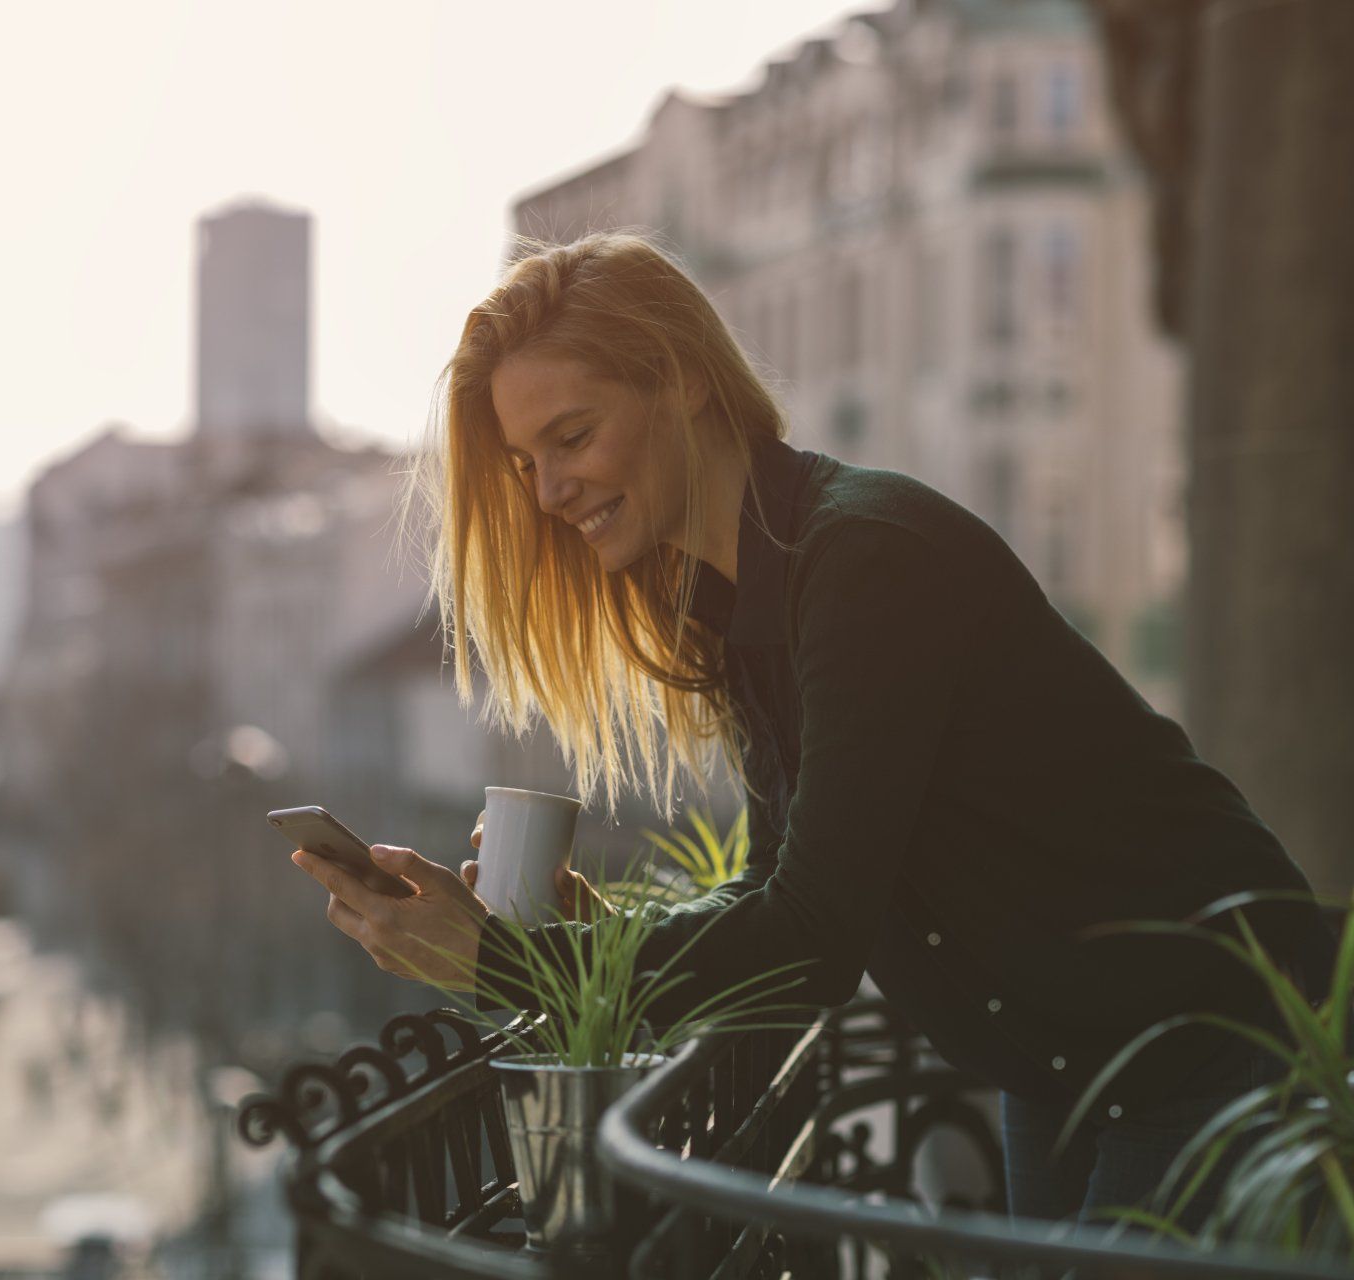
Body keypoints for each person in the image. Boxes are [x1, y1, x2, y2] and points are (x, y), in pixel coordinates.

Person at [287, 230, 1334, 1232]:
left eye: (572, 436)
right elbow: (780, 888)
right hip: (1074, 1063)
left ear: (682, 379)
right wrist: (590, 939)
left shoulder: (861, 561)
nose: (550, 491)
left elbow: (815, 938)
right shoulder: (746, 601)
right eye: (524, 462)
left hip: (1213, 1040)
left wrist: (509, 964)